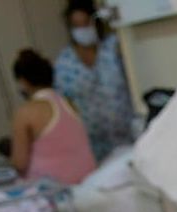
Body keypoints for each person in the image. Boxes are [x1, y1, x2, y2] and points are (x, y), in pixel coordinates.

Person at [54, 0, 135, 162]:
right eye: (77, 26)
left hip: (127, 134)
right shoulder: (65, 62)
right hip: (91, 145)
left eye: (86, 23)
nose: (83, 30)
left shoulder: (113, 48)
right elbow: (64, 104)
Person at [9, 49, 96, 184]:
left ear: (23, 82)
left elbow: (20, 164)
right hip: (86, 180)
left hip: (51, 189)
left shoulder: (26, 112)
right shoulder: (68, 104)